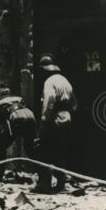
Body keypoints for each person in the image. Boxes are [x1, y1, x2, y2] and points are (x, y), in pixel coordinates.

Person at [36, 54, 77, 193]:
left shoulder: (49, 82)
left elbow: (50, 100)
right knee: (61, 150)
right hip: (67, 117)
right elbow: (74, 103)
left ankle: (44, 184)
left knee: (44, 149)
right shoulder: (65, 81)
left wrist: (44, 119)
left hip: (54, 117)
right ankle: (61, 184)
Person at [0, 92, 38, 181]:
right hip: (30, 115)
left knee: (0, 147)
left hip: (17, 116)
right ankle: (44, 178)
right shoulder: (6, 100)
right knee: (31, 148)